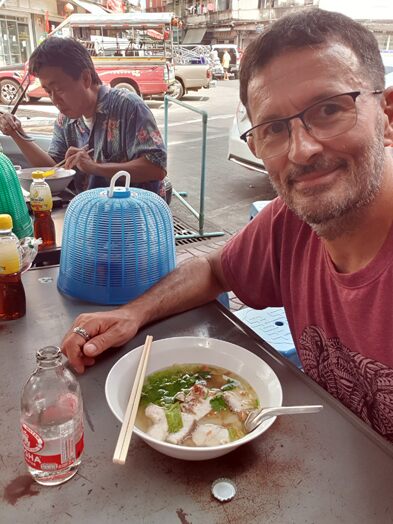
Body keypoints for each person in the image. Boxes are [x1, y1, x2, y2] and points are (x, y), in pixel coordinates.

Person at [62, 9, 393, 442]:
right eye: (274, 128)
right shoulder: (288, 222)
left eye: (329, 109)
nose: (302, 150)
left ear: (387, 114)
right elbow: (215, 270)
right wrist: (131, 313)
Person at [0, 38, 167, 195]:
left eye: (59, 89)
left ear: (86, 78)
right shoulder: (65, 119)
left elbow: (156, 168)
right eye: (48, 92)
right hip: (90, 214)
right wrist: (17, 133)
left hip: (134, 217)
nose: (54, 100)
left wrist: (95, 167)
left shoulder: (128, 106)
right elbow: (54, 169)